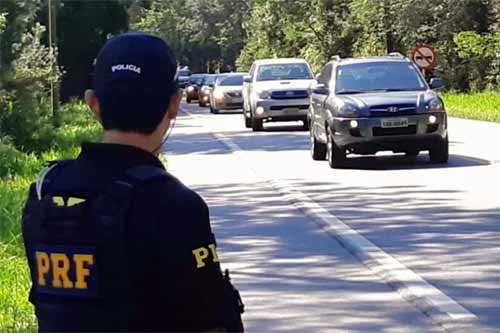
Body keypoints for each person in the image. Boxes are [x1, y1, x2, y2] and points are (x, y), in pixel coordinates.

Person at [21, 32, 244, 332]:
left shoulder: (45, 193)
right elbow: (213, 320)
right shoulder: (175, 205)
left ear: (92, 103)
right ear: (174, 104)